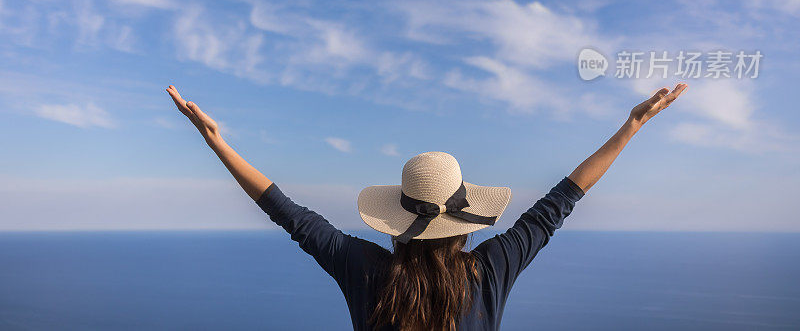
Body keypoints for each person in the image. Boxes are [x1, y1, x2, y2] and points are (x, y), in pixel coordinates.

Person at [166, 82, 687, 330]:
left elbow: (288, 213)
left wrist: (218, 143)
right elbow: (562, 201)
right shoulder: (491, 269)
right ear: (465, 224)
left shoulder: (365, 270)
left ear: (397, 224)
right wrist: (631, 127)